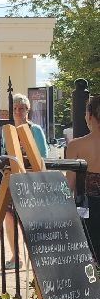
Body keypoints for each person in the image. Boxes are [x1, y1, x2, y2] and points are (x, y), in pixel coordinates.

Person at [3, 93, 49, 267]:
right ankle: (16, 256)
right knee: (8, 216)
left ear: (28, 110)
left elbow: (43, 155)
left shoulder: (35, 129)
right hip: (13, 179)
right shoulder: (7, 130)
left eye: (21, 108)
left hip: (32, 180)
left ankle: (37, 257)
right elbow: (4, 153)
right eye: (14, 108)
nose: (17, 112)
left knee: (30, 219)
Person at [66, 94, 100, 262]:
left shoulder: (75, 145)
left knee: (90, 263)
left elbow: (69, 186)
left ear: (89, 115)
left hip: (88, 210)